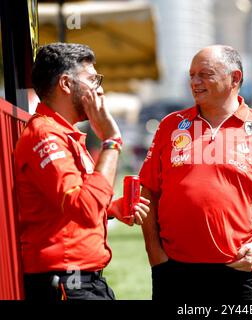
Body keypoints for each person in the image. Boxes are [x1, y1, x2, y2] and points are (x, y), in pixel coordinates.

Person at [139, 45, 252, 300]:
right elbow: (149, 191)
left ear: (234, 78)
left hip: (235, 274)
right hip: (174, 272)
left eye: (205, 74)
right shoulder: (170, 126)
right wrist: (155, 253)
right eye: (191, 75)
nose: (195, 82)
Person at [14, 43, 150, 300]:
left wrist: (111, 208)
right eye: (92, 79)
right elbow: (84, 208)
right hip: (66, 280)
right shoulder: (45, 135)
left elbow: (69, 202)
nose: (99, 88)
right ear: (66, 83)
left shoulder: (62, 133)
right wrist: (111, 141)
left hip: (80, 280)